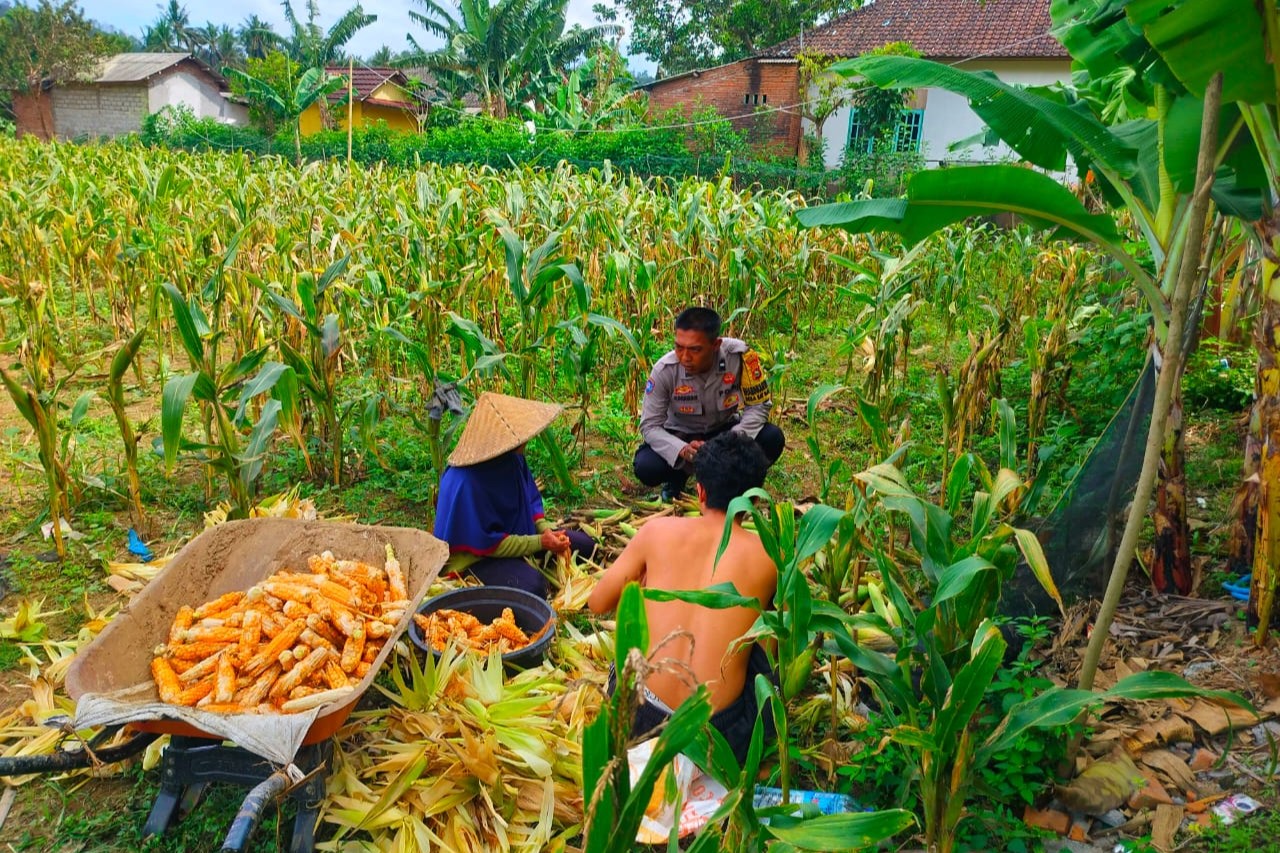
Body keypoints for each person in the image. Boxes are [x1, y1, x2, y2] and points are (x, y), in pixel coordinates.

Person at [589, 432, 777, 762]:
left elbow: (597, 603)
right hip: (717, 737)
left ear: (700, 491)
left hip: (637, 717)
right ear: (755, 500)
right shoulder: (770, 556)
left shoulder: (657, 532)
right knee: (763, 639)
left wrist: (643, 592)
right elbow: (778, 651)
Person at [433, 392, 596, 598]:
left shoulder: (512, 459)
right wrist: (541, 543)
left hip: (520, 538)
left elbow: (530, 504)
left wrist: (547, 532)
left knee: (586, 547)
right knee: (534, 587)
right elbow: (488, 544)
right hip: (477, 557)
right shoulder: (466, 483)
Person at [634, 307, 784, 501]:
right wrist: (682, 449)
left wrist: (729, 440)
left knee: (771, 438)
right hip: (681, 435)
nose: (685, 357)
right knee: (647, 466)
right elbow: (650, 425)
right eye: (679, 347)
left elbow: (759, 405)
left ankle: (734, 484)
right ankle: (677, 478)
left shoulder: (740, 357)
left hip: (723, 430)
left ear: (716, 345)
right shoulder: (665, 370)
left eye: (695, 349)